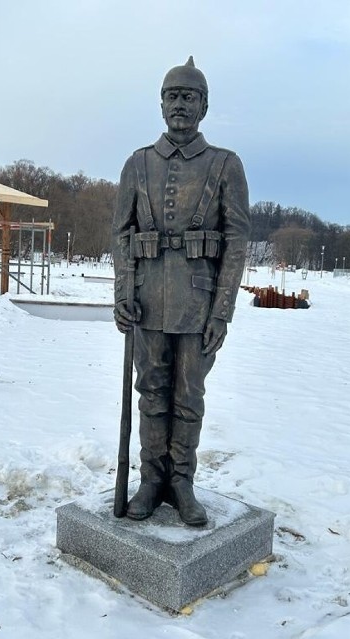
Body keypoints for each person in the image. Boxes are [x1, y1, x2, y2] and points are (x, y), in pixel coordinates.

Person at [112, 57, 250, 526]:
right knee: (151, 391)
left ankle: (182, 482)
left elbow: (236, 241)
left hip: (198, 301)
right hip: (148, 300)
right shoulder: (138, 163)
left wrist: (222, 312)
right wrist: (122, 293)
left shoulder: (225, 165)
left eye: (189, 96)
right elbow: (121, 233)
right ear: (161, 103)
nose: (180, 105)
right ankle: (152, 480)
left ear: (205, 106)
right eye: (172, 96)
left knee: (189, 396)